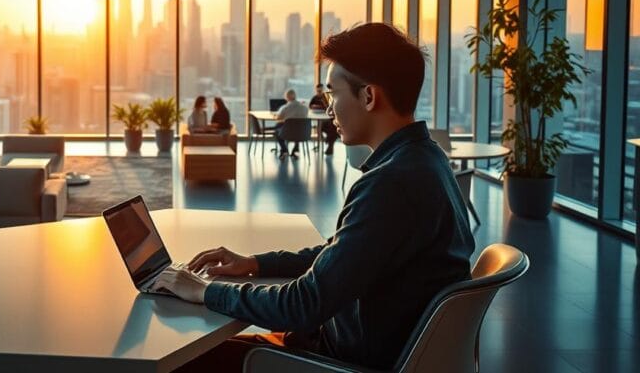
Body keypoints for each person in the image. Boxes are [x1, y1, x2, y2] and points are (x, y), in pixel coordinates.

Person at [155, 23, 474, 372]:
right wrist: (256, 264)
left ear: (369, 96)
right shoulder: (428, 160)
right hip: (355, 345)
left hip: (338, 361)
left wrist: (203, 290)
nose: (328, 108)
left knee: (183, 362)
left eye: (333, 94)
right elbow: (343, 253)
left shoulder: (390, 185)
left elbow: (304, 304)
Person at [273, 89, 308, 158]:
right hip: (301, 133)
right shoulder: (305, 108)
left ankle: (284, 150)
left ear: (287, 97)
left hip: (287, 133)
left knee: (277, 130)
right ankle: (296, 148)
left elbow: (278, 118)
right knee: (297, 127)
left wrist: (276, 115)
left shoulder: (285, 108)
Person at [310, 83, 340, 155]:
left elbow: (328, 107)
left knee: (332, 127)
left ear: (322, 90)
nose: (319, 92)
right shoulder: (315, 97)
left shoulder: (326, 97)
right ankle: (328, 143)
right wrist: (315, 106)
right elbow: (310, 106)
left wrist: (322, 106)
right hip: (318, 116)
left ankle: (329, 143)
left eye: (320, 91)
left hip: (327, 118)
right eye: (318, 91)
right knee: (323, 127)